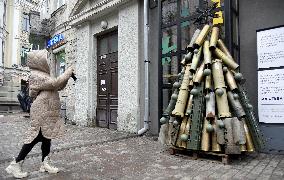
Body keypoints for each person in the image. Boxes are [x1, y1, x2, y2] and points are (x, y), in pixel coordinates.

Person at [5, 49, 74, 178]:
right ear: (40, 60)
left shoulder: (45, 75)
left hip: (48, 110)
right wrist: (68, 71)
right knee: (36, 136)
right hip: (41, 109)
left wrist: (67, 77)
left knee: (47, 137)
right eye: (46, 59)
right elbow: (55, 83)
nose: (48, 61)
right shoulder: (35, 75)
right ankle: (16, 164)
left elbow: (58, 86)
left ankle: (45, 163)